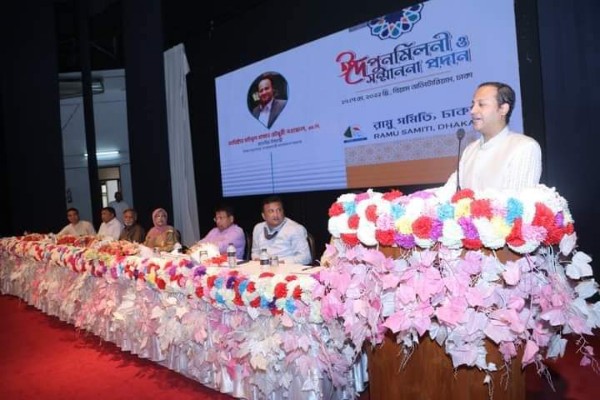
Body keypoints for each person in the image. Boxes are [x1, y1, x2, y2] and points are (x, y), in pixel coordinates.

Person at [438, 81, 542, 198]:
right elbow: (448, 191)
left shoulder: (524, 147)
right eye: (473, 105)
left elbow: (517, 202)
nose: (472, 111)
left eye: (481, 104)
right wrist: (424, 200)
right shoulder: (470, 150)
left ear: (503, 109)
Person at [251, 195, 311, 265]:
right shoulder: (258, 228)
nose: (276, 215)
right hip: (263, 267)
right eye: (271, 211)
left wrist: (279, 263)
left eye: (279, 210)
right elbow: (255, 252)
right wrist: (257, 259)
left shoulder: (295, 229)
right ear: (263, 216)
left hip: (286, 268)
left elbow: (305, 258)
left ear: (283, 211)